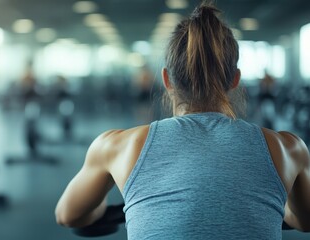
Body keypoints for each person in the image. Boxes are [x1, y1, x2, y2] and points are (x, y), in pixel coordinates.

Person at [55, 2, 310, 239]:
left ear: (167, 81)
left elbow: (67, 215)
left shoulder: (114, 146)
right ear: (235, 80)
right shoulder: (289, 148)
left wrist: (105, 212)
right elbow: (305, 220)